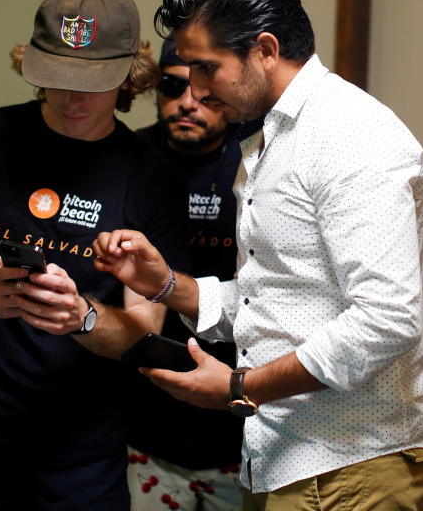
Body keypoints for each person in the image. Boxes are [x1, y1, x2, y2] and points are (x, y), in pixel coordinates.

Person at [93, 0, 423, 511]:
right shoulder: (274, 136)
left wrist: (239, 388)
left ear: (264, 50)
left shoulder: (350, 137)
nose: (198, 90)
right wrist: (166, 284)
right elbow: (280, 300)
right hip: (287, 453)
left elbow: (387, 319)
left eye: (208, 68)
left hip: (350, 461)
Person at [0, 0, 186, 510]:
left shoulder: (152, 176)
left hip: (79, 454)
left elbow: (143, 333)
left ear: (130, 74)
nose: (71, 99)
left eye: (91, 82)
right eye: (56, 79)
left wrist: (78, 316)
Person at [126, 39, 248, 510]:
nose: (188, 101)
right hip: (146, 422)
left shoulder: (258, 162)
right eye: (173, 86)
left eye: (206, 89)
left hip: (240, 414)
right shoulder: (129, 157)